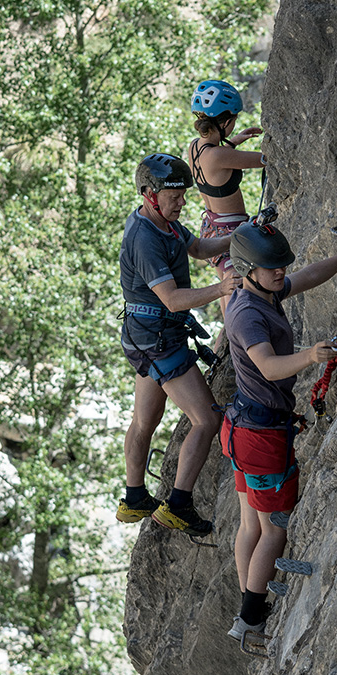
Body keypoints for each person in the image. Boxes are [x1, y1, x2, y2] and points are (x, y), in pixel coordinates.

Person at [220, 215, 337, 639]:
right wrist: (311, 356)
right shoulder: (247, 315)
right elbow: (269, 367)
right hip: (261, 438)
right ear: (247, 270)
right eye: (273, 267)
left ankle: (247, 603)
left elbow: (307, 276)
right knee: (272, 529)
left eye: (280, 265)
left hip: (243, 429)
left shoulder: (262, 291)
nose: (281, 272)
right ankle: (251, 619)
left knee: (250, 525)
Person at [117, 153, 240, 537]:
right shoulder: (144, 238)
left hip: (145, 334)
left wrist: (239, 236)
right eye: (174, 196)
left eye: (183, 195)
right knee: (207, 419)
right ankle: (178, 505)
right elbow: (172, 299)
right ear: (149, 194)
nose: (181, 202)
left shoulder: (164, 223)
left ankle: (134, 496)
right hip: (158, 339)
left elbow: (200, 249)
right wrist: (221, 288)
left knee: (145, 420)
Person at [188, 79, 265, 320]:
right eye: (234, 121)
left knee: (229, 286)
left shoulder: (195, 147)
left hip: (212, 227)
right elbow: (264, 159)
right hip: (231, 234)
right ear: (224, 122)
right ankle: (232, 343)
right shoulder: (220, 155)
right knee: (233, 297)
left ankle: (229, 345)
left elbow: (217, 160)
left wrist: (234, 141)